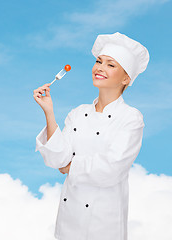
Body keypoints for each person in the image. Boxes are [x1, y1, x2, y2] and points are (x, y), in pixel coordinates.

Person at [33, 32, 149, 240]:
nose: (100, 68)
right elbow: (56, 159)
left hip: (104, 225)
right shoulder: (77, 113)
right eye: (98, 61)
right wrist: (49, 111)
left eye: (111, 65)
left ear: (126, 78)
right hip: (68, 223)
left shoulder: (131, 118)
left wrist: (71, 167)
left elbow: (111, 169)